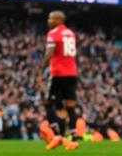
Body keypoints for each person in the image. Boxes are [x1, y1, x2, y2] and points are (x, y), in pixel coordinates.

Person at [38, 11, 80, 151]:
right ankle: (73, 139)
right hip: (72, 73)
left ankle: (57, 136)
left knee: (48, 103)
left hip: (57, 73)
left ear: (58, 20)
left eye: (50, 18)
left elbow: (49, 52)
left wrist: (41, 70)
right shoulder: (71, 34)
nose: (48, 21)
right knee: (70, 107)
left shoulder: (53, 33)